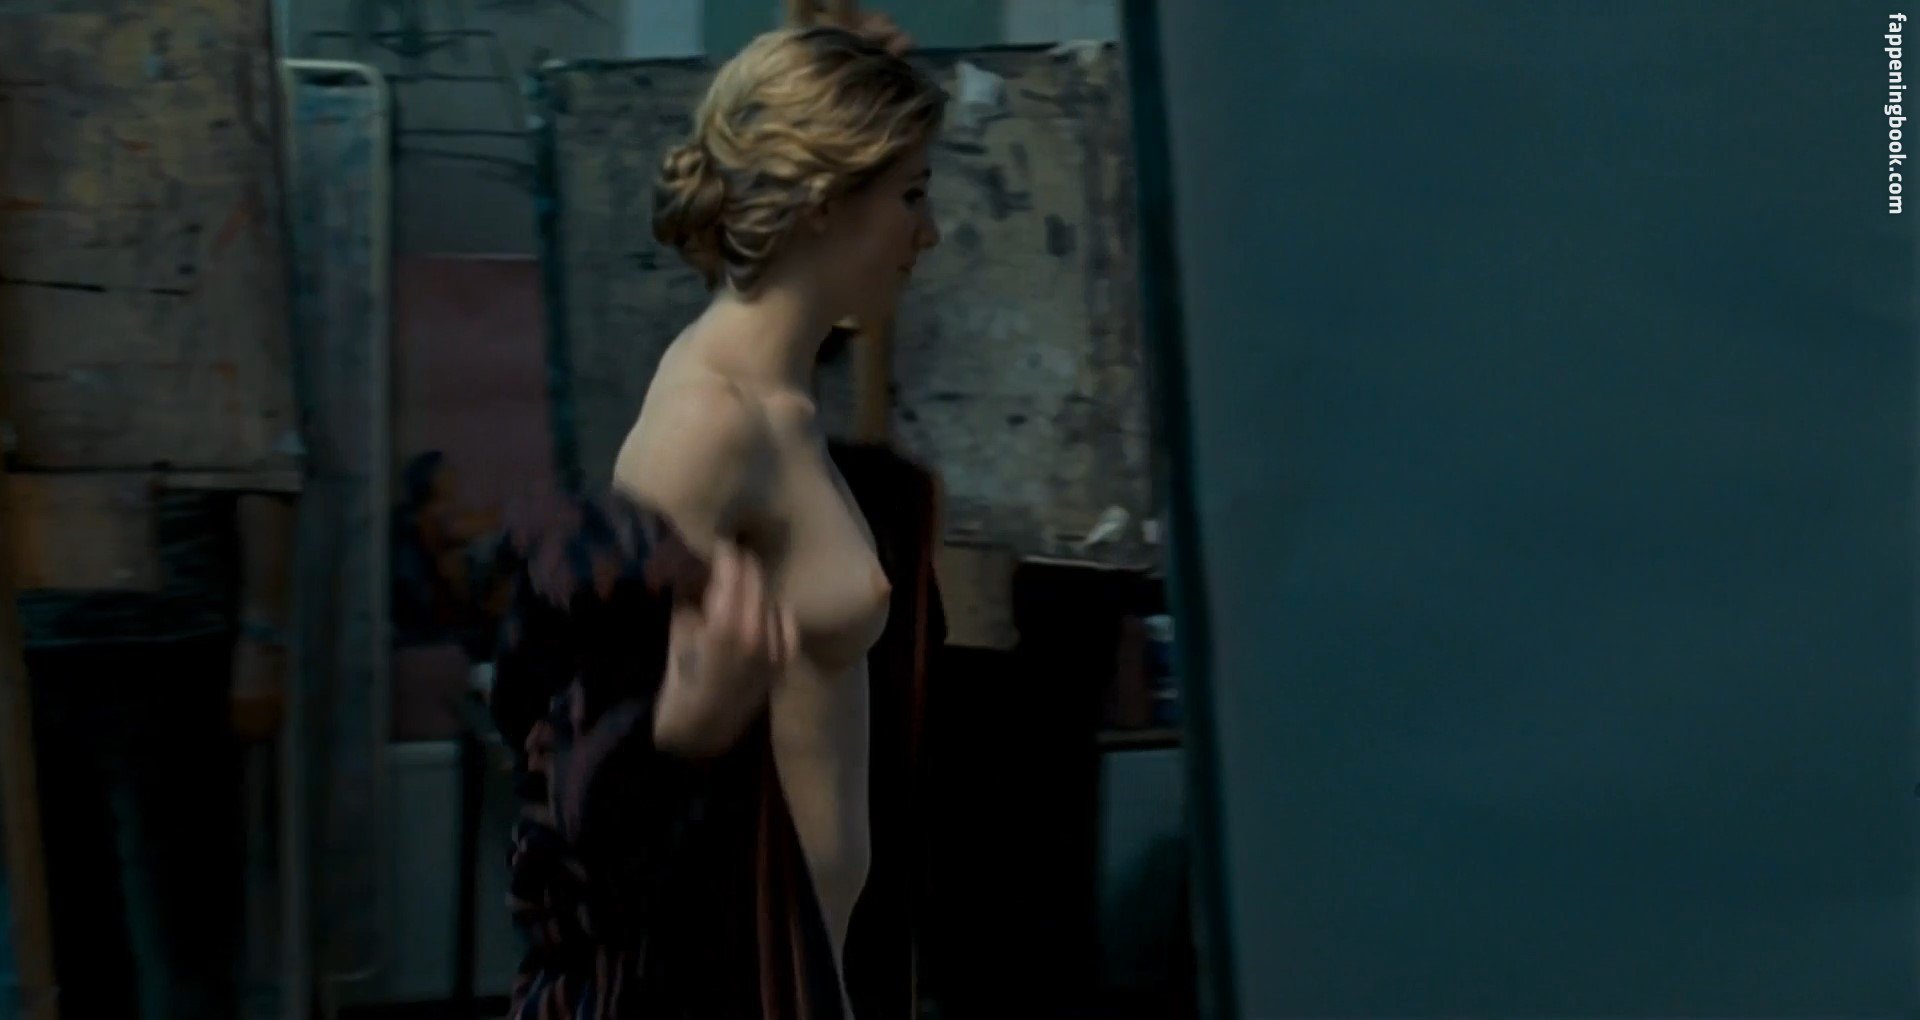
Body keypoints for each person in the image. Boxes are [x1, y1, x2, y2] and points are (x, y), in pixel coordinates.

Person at [619, 19, 944, 1014]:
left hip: (815, 966)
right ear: (823, 203)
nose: (929, 233)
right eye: (912, 196)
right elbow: (597, 752)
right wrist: (691, 716)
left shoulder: (783, 400)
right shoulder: (707, 424)